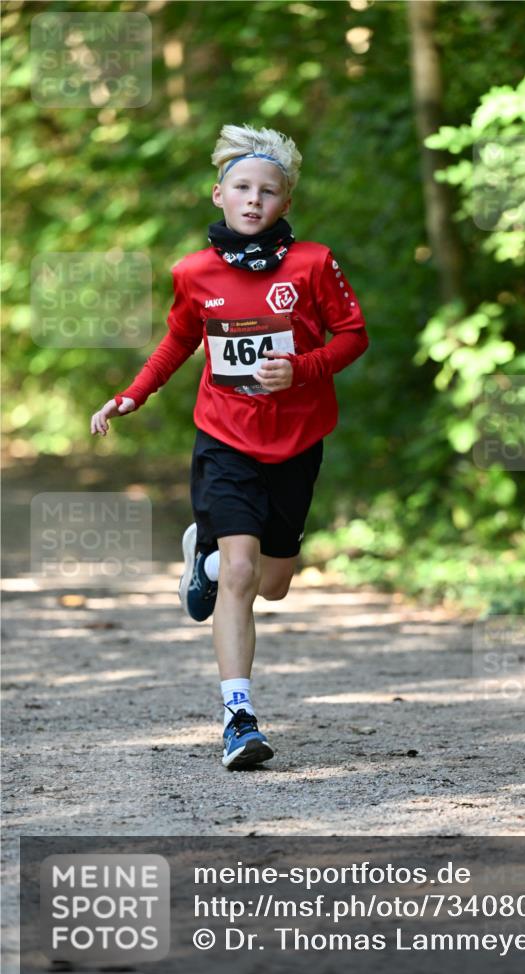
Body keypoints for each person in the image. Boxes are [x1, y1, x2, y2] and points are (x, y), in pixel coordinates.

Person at [90, 123, 369, 769]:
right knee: (243, 572)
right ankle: (238, 718)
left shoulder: (312, 263)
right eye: (241, 188)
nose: (253, 200)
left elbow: (352, 335)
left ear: (285, 204)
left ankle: (202, 562)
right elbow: (178, 343)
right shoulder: (193, 273)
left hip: (297, 439)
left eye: (267, 192)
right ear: (217, 195)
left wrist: (302, 368)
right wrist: (131, 394)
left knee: (273, 584)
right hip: (225, 437)